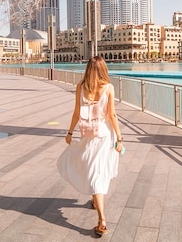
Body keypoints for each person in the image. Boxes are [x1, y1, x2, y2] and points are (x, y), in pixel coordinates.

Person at [57, 56, 123, 237]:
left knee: (92, 170)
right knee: (97, 172)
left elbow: (77, 113)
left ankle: (97, 206)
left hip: (87, 135)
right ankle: (102, 220)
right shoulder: (108, 88)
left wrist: (70, 133)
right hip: (104, 136)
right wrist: (119, 137)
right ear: (103, 70)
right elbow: (112, 115)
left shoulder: (81, 86)